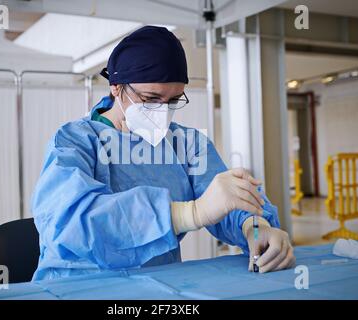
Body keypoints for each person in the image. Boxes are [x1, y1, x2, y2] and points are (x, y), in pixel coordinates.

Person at [31, 26, 295, 281]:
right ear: (116, 86)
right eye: (150, 98)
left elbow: (229, 201)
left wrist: (255, 227)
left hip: (161, 288)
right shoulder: (74, 141)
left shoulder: (187, 144)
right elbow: (70, 224)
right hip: (79, 285)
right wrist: (191, 213)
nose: (162, 111)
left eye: (172, 100)